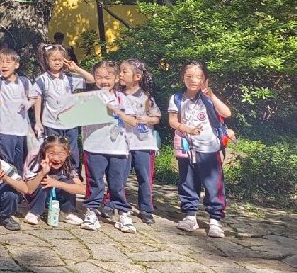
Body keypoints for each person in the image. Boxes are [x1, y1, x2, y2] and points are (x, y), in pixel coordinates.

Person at [168, 60, 232, 239]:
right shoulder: (177, 98)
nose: (194, 80)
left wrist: (211, 95)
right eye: (189, 76)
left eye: (198, 76)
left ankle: (215, 220)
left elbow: (226, 113)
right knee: (187, 182)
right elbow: (172, 121)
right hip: (186, 148)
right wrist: (186, 129)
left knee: (213, 184)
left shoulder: (209, 98)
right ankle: (190, 216)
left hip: (209, 148)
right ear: (183, 78)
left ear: (205, 79)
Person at [79, 60, 135, 233]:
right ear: (94, 78)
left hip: (118, 149)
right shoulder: (89, 97)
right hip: (94, 147)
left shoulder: (124, 98)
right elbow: (78, 118)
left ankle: (123, 213)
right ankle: (91, 211)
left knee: (117, 184)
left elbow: (133, 121)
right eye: (99, 77)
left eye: (108, 77)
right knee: (95, 182)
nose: (104, 81)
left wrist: (115, 111)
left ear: (116, 78)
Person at [34, 43, 94, 169]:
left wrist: (76, 68)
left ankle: (73, 173)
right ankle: (54, 173)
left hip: (70, 123)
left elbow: (92, 80)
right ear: (47, 60)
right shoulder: (42, 79)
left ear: (64, 60)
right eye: (54, 59)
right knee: (52, 150)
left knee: (72, 150)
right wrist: (38, 121)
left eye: (60, 60)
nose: (57, 62)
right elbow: (37, 99)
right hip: (51, 123)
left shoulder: (70, 78)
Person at [119, 59, 161, 225]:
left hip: (144, 144)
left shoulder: (146, 98)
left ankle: (146, 209)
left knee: (144, 177)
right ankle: (115, 204)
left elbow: (156, 118)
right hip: (122, 144)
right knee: (119, 176)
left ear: (137, 77)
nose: (120, 75)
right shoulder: (118, 96)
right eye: (120, 71)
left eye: (124, 72)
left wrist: (146, 119)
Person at [0, 48, 40, 170]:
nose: (4, 65)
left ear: (16, 65)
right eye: (0, 62)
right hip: (3, 130)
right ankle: (7, 182)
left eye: (8, 62)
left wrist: (28, 104)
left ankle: (19, 181)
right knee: (6, 162)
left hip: (21, 130)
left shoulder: (24, 81)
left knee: (21, 162)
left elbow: (35, 96)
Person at [22, 135, 85, 227]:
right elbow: (29, 189)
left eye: (61, 154)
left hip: (55, 193)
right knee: (43, 181)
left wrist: (57, 183)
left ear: (68, 153)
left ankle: (66, 212)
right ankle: (34, 212)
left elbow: (82, 189)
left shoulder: (68, 163)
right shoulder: (35, 159)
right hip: (36, 193)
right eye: (51, 153)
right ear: (44, 151)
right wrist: (42, 173)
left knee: (68, 182)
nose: (56, 158)